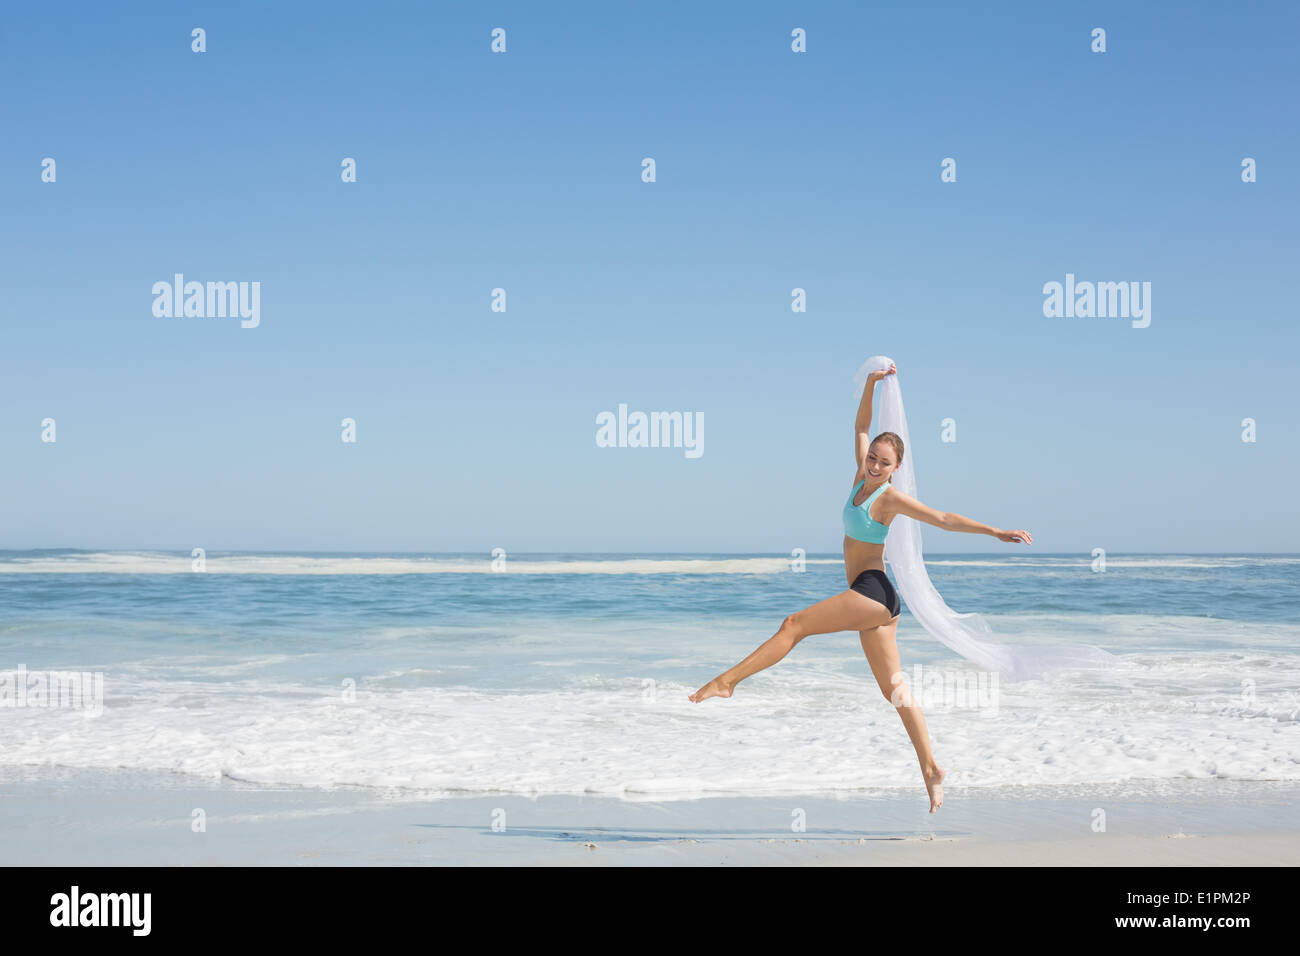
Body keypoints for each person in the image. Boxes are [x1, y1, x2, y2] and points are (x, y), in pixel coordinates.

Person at [689, 361, 1035, 813]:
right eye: (872, 457)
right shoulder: (859, 478)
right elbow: (860, 423)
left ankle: (727, 682)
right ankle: (930, 768)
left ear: (896, 469)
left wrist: (995, 532)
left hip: (874, 592)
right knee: (895, 690)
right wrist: (872, 382)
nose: (874, 465)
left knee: (793, 624)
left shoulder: (888, 496)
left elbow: (944, 519)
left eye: (883, 462)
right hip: (875, 599)